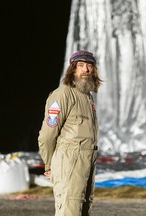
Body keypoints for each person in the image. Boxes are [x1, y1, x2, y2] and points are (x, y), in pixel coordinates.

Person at [38, 49, 103, 216]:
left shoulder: (87, 97)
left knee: (83, 208)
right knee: (70, 209)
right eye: (80, 65)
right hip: (69, 160)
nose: (86, 70)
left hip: (87, 160)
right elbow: (47, 135)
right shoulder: (63, 94)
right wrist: (49, 164)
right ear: (72, 69)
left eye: (89, 66)